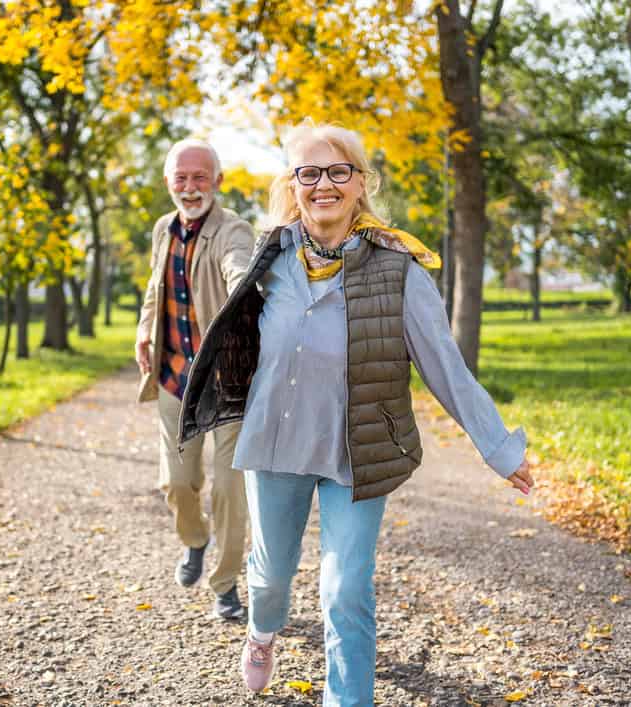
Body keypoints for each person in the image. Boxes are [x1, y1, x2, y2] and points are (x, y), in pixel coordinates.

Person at [179, 123, 535, 705]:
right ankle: (262, 632)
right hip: (276, 443)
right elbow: (231, 322)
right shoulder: (271, 258)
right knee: (269, 577)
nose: (324, 184)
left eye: (338, 171)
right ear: (292, 186)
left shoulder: (399, 270)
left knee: (346, 590)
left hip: (358, 451)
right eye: (309, 173)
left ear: (360, 182)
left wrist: (498, 447)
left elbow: (445, 365)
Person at [136, 138, 256, 619]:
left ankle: (225, 585)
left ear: (218, 182)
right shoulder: (163, 229)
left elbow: (237, 266)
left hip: (225, 383)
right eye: (181, 178)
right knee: (178, 484)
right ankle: (195, 540)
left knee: (229, 491)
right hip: (173, 379)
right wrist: (145, 331)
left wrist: (241, 288)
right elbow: (154, 288)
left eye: (200, 177)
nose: (191, 187)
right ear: (169, 183)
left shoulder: (234, 229)